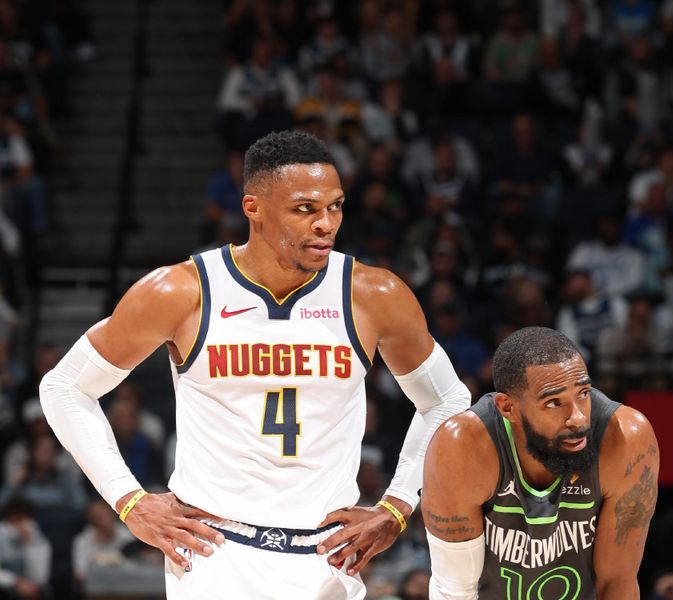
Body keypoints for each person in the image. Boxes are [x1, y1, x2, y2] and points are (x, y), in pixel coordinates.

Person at [38, 130, 471, 598]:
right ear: (253, 209)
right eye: (305, 209)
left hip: (328, 558)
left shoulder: (373, 295)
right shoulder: (181, 292)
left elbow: (447, 399)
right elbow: (64, 387)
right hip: (215, 553)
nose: (326, 224)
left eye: (336, 206)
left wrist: (397, 506)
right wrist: (129, 501)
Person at [422, 326, 659, 599]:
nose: (579, 418)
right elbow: (455, 592)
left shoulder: (625, 438)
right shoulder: (463, 447)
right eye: (554, 403)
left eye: (583, 393)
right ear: (507, 408)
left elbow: (617, 583)